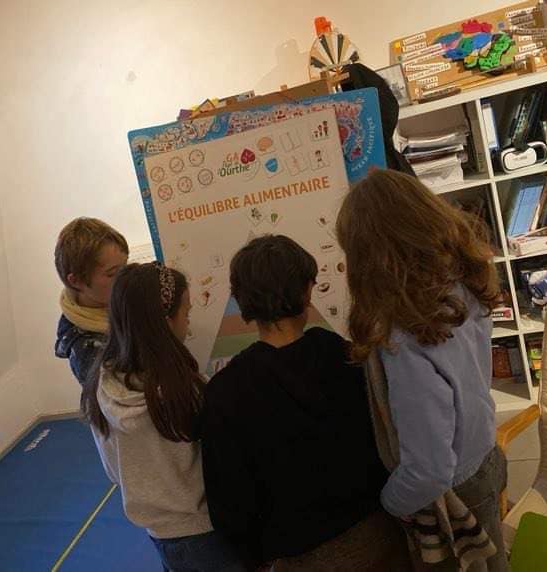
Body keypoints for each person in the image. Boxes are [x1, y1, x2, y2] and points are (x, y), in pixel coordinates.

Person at [201, 235, 412, 571]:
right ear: (306, 292)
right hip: (378, 535)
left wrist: (255, 558)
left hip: (298, 555)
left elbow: (230, 501)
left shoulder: (225, 392)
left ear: (242, 301)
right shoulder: (345, 356)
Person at [336, 169, 508, 571]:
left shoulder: (405, 340)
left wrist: (391, 503)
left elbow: (430, 469)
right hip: (485, 455)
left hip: (456, 494)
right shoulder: (461, 285)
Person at [81, 262, 246, 572]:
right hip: (206, 530)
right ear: (165, 322)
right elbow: (219, 465)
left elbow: (114, 472)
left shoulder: (99, 388)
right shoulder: (184, 391)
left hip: (160, 536)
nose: (189, 324)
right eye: (186, 313)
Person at [54, 217, 129, 385]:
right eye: (112, 274)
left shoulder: (114, 299)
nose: (124, 278)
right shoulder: (85, 350)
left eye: (125, 267)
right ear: (76, 281)